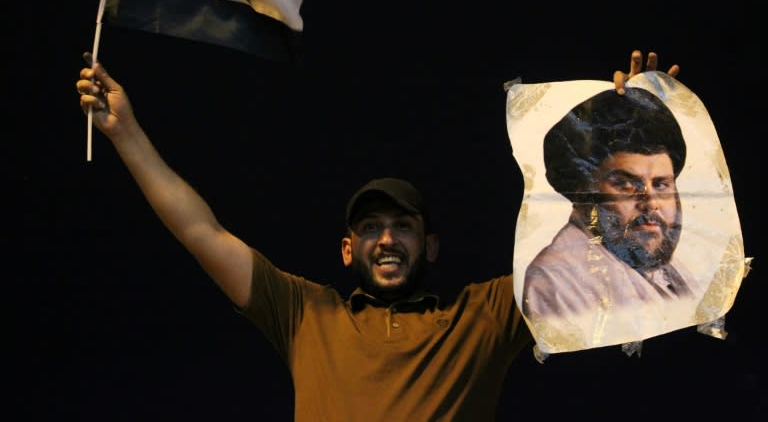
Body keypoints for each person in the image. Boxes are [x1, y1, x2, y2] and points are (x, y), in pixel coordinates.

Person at [75, 50, 678, 421]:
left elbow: (606, 246)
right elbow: (199, 229)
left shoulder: (485, 314)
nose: (386, 240)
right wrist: (125, 133)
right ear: (348, 249)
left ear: (430, 246)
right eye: (370, 229)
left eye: (402, 227)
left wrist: (619, 122)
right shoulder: (304, 314)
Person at [521, 83, 701, 334]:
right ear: (583, 192)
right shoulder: (556, 282)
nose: (650, 202)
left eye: (661, 184)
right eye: (625, 184)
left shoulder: (661, 266)